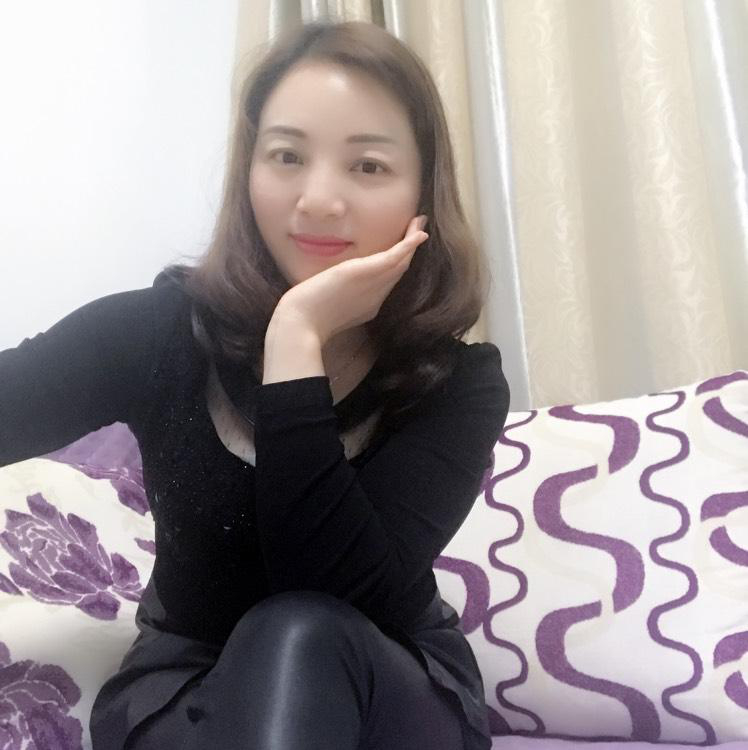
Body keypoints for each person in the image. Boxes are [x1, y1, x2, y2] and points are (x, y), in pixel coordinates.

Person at [0, 18, 510, 750]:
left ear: (421, 190)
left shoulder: (458, 383)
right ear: (249, 171)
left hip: (386, 693)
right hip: (186, 690)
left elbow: (334, 591)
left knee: (298, 632)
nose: (319, 199)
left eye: (367, 166)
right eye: (286, 156)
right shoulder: (158, 332)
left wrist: (296, 340)